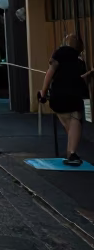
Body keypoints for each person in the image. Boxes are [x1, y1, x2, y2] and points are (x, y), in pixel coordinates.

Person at [39, 33, 94, 166]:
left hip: (59, 93)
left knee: (68, 123)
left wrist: (43, 91)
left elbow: (50, 72)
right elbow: (79, 78)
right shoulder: (79, 60)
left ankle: (71, 153)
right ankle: (72, 152)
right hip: (75, 93)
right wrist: (90, 73)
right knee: (75, 119)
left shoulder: (60, 53)